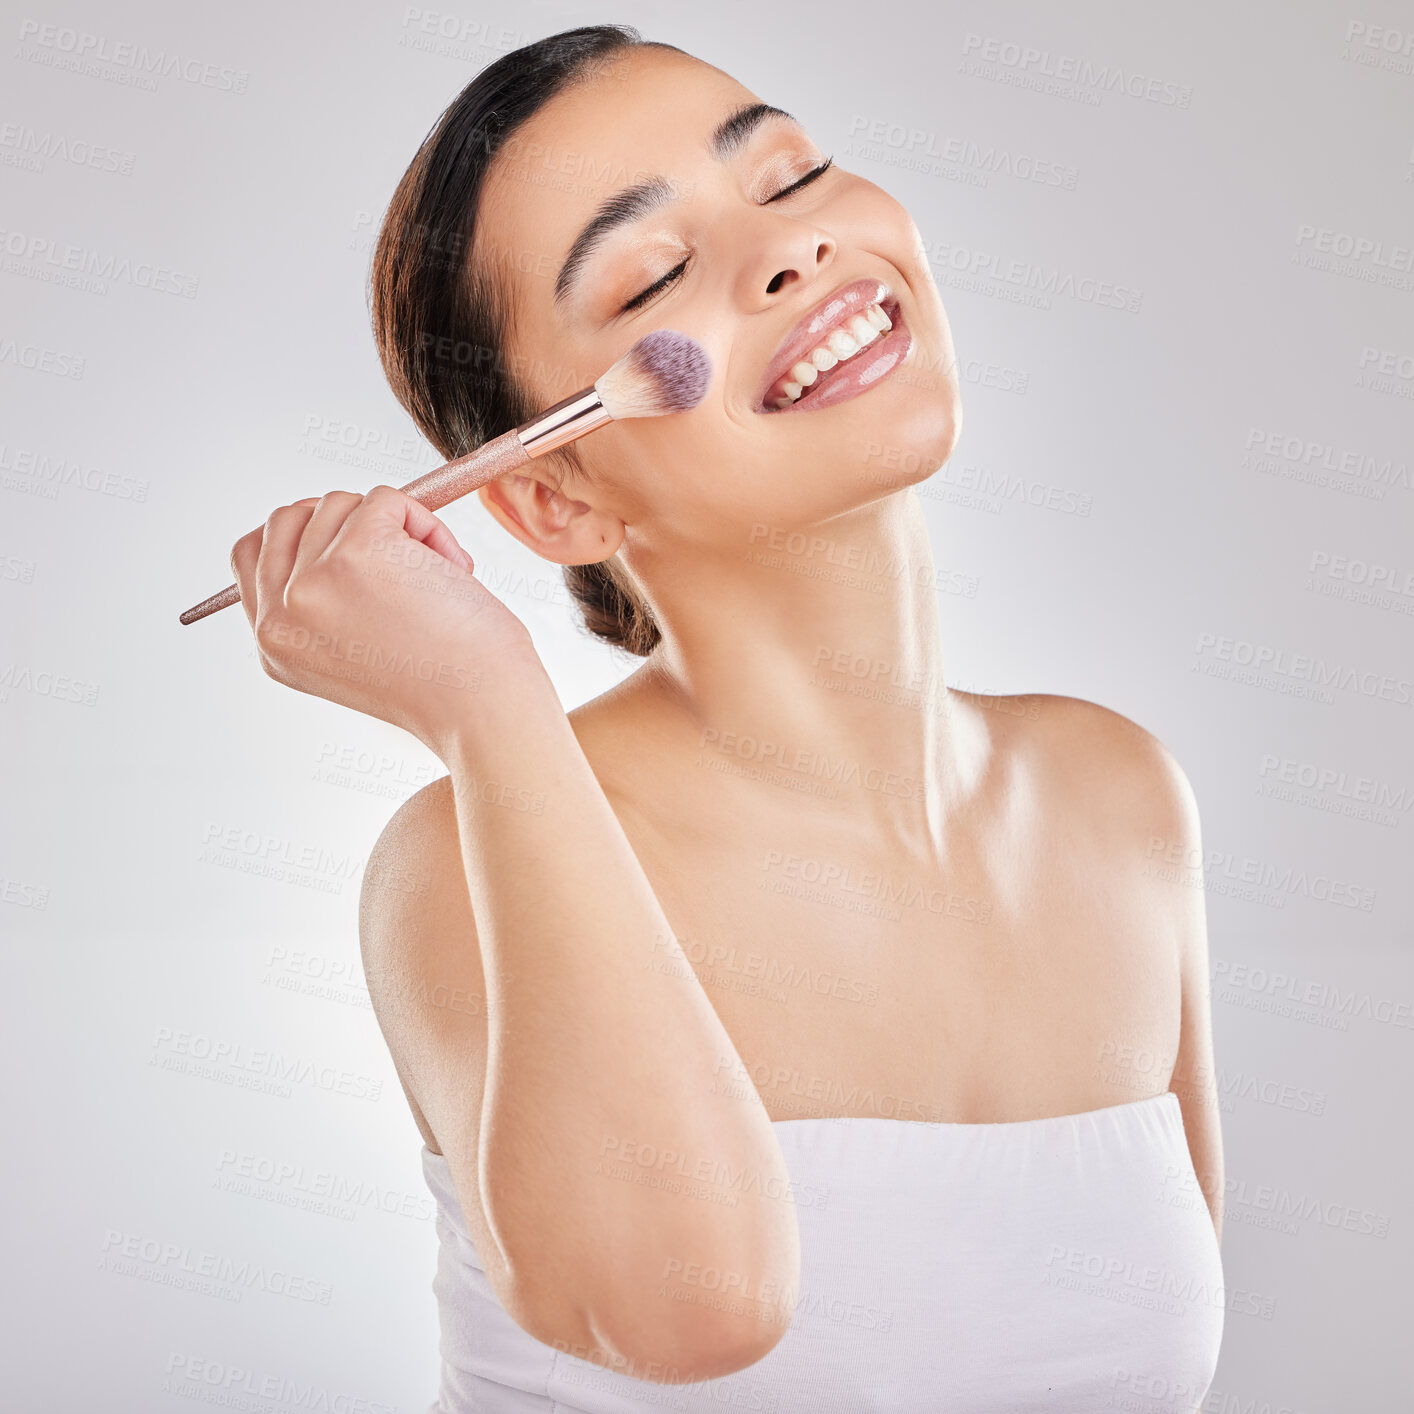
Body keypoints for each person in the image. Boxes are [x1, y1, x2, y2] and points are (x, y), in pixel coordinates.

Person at [229, 23, 1226, 1413]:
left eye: (789, 172)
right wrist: (485, 702)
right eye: (652, 274)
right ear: (552, 501)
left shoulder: (1117, 795)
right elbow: (694, 1312)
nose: (788, 250)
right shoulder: (460, 863)